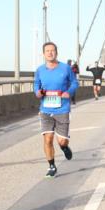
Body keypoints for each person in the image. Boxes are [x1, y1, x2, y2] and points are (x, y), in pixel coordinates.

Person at [34, 42, 79, 178]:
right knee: (48, 139)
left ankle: (64, 147)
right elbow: (36, 84)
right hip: (45, 109)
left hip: (62, 109)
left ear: (56, 53)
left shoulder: (65, 68)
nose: (50, 53)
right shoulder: (40, 70)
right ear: (43, 54)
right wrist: (37, 92)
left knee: (62, 141)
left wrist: (69, 92)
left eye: (52, 50)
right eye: (47, 51)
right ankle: (52, 166)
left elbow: (75, 82)